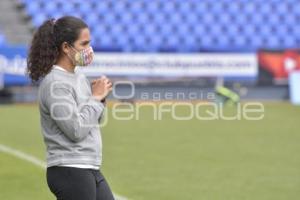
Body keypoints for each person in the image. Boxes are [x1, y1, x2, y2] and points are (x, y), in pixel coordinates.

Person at [27, 16, 114, 200]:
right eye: (84, 44)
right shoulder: (55, 84)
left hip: (88, 165)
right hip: (69, 168)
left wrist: (99, 99)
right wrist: (95, 98)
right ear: (66, 47)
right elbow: (76, 130)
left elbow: (95, 121)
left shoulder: (79, 76)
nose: (89, 50)